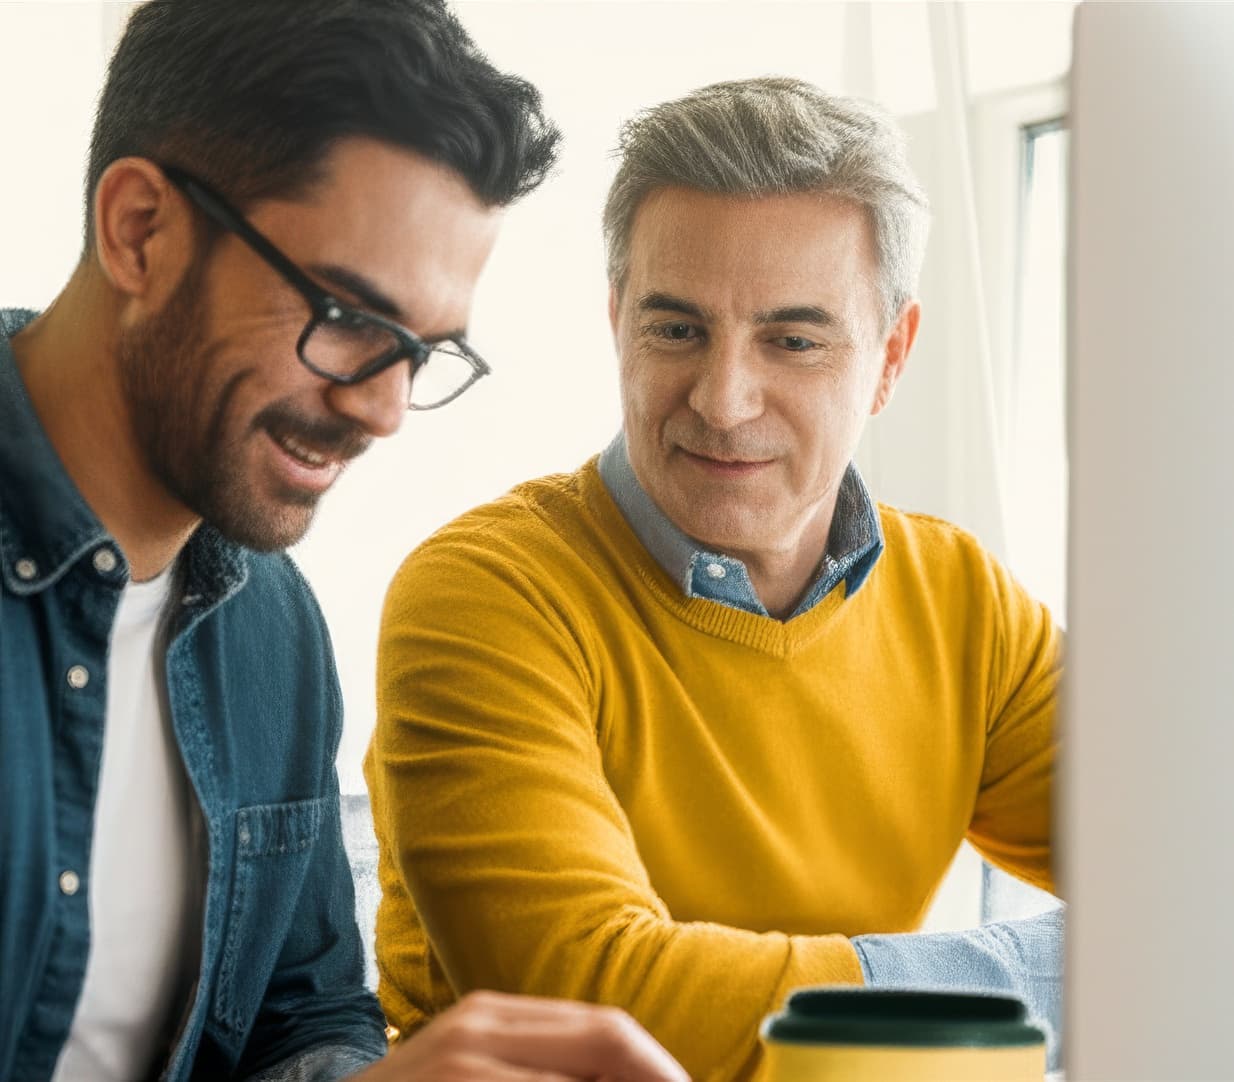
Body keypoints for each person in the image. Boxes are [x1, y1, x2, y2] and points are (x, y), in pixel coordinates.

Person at [0, 2, 688, 1081]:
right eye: (348, 316)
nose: (381, 411)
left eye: (422, 351)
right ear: (140, 229)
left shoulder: (269, 621)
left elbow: (303, 1006)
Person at [367, 77, 1064, 1080]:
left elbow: (1186, 866)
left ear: (891, 356)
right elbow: (593, 997)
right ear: (618, 321)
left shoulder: (965, 602)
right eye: (677, 329)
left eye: (792, 339)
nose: (724, 399)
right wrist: (1043, 977)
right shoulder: (487, 591)